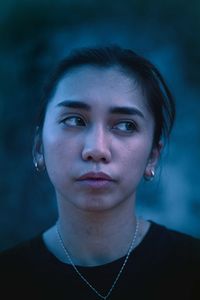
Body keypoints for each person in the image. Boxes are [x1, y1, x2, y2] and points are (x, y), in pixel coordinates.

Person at [0, 45, 199, 300]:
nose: (96, 149)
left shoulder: (191, 270)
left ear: (152, 156)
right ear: (39, 147)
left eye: (125, 125)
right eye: (74, 120)